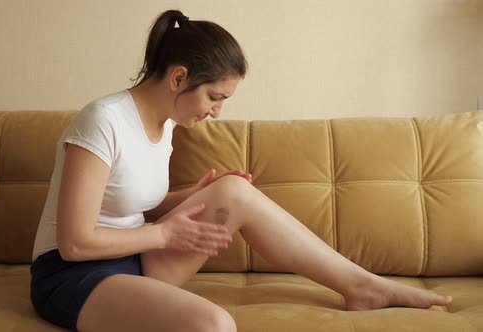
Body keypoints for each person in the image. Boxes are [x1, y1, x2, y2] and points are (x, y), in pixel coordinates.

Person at [29, 9, 453, 332]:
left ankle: (362, 286)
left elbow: (131, 206)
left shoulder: (166, 122)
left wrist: (192, 196)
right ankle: (364, 287)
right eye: (215, 97)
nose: (216, 112)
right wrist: (164, 235)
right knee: (213, 325)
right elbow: (75, 243)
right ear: (179, 78)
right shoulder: (102, 119)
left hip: (134, 260)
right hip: (71, 275)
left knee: (233, 190)